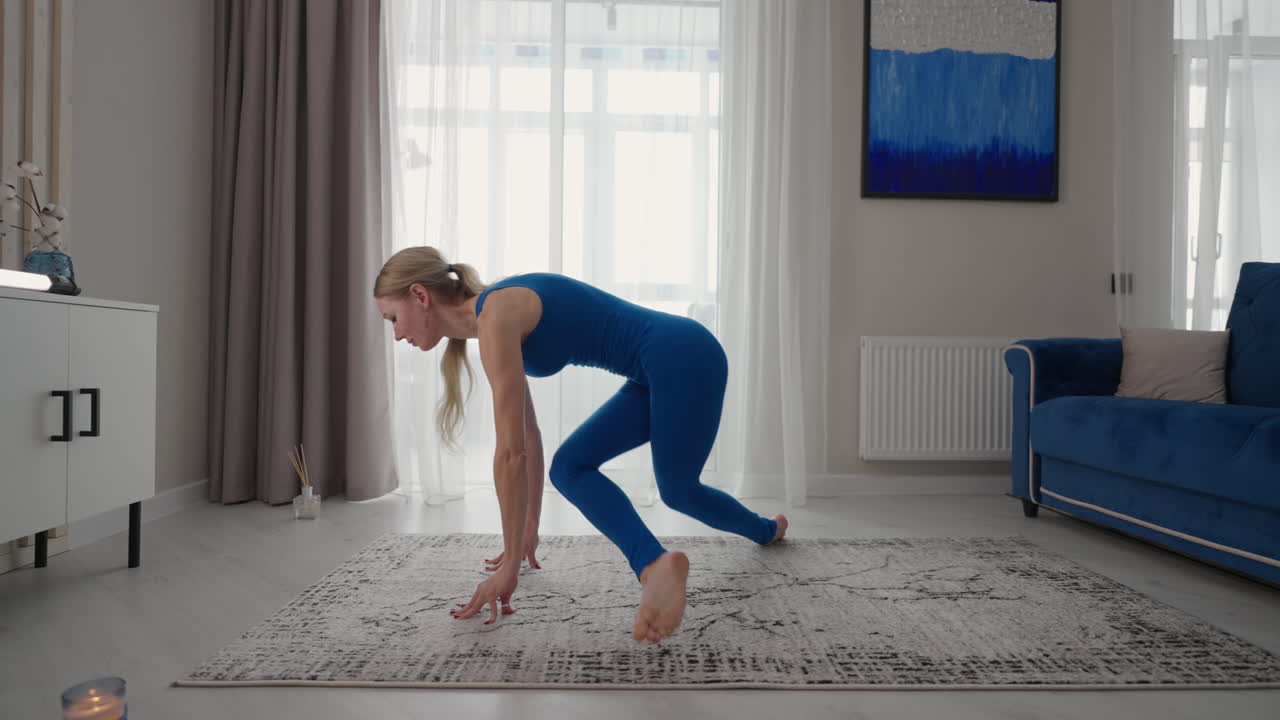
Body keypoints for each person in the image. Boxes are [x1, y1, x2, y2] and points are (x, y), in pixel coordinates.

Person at [373, 246, 787, 644]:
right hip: (654, 367)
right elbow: (528, 439)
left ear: (420, 295)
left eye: (393, 318)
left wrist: (510, 567)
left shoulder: (496, 313)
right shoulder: (492, 322)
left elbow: (509, 454)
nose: (396, 334)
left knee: (678, 490)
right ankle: (762, 533)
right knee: (569, 466)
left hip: (685, 354)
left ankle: (666, 562)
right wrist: (526, 531)